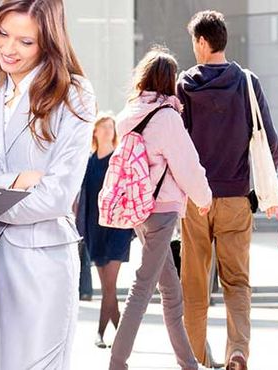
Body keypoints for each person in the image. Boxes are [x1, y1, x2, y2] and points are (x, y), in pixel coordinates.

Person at [0, 0, 95, 368]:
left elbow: (58, 195)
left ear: (47, 42)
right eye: (2, 34)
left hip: (44, 263)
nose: (8, 48)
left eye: (24, 41)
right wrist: (17, 181)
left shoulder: (73, 93)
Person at [177, 10, 278, 370]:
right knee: (237, 282)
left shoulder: (185, 85)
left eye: (194, 41)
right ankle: (237, 351)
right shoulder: (247, 83)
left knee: (194, 282)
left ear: (203, 42)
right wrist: (256, 193)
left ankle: (194, 357)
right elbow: (271, 144)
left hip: (195, 200)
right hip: (237, 197)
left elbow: (176, 146)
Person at [108, 46, 213, 370]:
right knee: (142, 287)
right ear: (169, 81)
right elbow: (187, 165)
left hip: (139, 210)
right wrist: (204, 198)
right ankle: (117, 362)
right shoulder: (167, 117)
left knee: (171, 291)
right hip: (163, 210)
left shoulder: (127, 115)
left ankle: (188, 363)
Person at [77, 113, 135, 348]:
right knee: (107, 287)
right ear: (96, 131)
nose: (109, 131)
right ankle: (121, 335)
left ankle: (101, 334)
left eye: (111, 127)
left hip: (118, 229)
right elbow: (85, 200)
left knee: (109, 285)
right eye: (104, 127)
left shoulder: (118, 160)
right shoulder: (89, 162)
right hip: (95, 231)